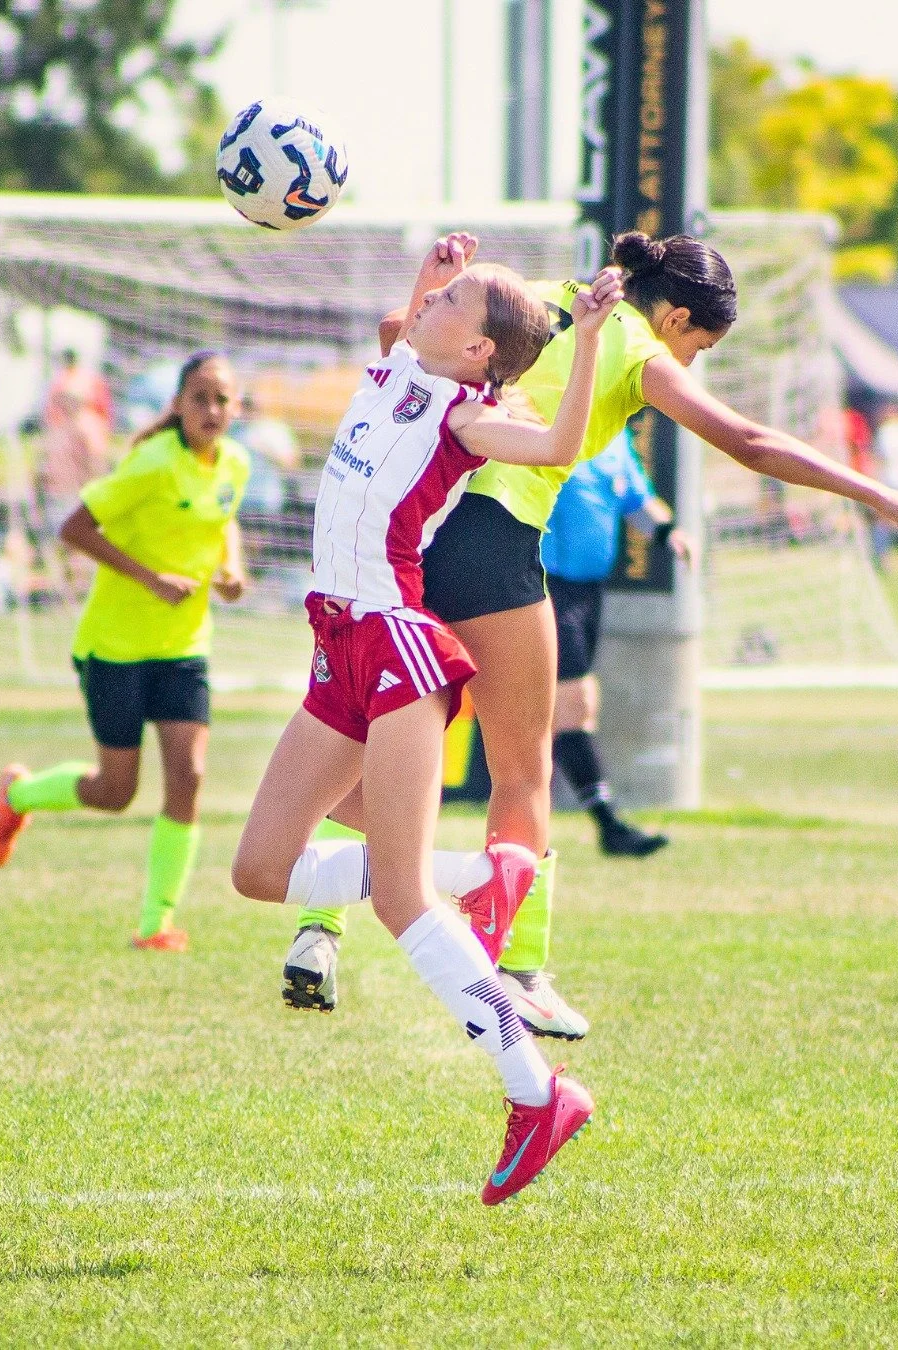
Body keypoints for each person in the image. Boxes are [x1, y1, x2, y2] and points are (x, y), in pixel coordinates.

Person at [285, 229, 898, 1042]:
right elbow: (750, 443)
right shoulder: (630, 344)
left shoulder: (543, 291)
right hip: (488, 541)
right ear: (680, 318)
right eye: (699, 348)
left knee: (367, 740)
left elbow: (397, 333)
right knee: (524, 770)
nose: (689, 366)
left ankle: (318, 929)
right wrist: (875, 493)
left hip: (405, 537)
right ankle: (519, 972)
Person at [231, 246, 625, 1205]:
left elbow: (565, 445)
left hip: (399, 646)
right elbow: (409, 332)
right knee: (259, 870)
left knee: (403, 898)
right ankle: (485, 876)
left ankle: (538, 1092)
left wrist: (592, 336)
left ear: (481, 347)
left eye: (450, 299)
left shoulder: (469, 420)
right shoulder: (399, 371)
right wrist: (427, 274)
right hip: (339, 647)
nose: (429, 301)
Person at [0, 352, 250, 952]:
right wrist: (151, 578)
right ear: (178, 404)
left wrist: (231, 569)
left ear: (236, 408)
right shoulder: (151, 465)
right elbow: (74, 529)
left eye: (222, 399)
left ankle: (157, 925)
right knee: (115, 791)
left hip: (184, 648)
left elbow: (224, 518)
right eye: (200, 397)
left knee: (191, 775)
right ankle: (17, 795)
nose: (211, 409)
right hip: (116, 649)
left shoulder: (236, 462)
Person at [544, 427, 692, 859]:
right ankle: (607, 823)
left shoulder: (612, 437)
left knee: (563, 713)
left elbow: (637, 502)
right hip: (546, 585)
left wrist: (670, 534)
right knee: (575, 704)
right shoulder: (544, 425)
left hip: (590, 593)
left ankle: (584, 824)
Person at [871, 401, 898, 568]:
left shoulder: (884, 431)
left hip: (888, 480)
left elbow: (879, 459)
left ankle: (883, 557)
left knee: (882, 521)